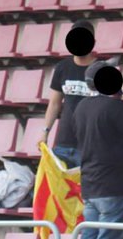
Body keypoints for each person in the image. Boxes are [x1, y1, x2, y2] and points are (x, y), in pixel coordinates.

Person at [72, 60, 123, 239]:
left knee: (89, 235)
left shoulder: (80, 107)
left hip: (91, 184)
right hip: (115, 185)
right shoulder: (113, 106)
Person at [41, 20, 98, 168]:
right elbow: (54, 104)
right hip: (63, 143)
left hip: (91, 145)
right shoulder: (62, 67)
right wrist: (45, 132)